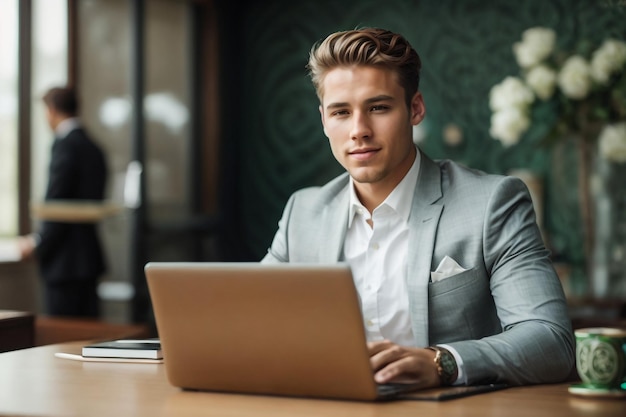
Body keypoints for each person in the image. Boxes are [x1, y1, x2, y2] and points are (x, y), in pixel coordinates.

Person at [262, 28, 575, 389]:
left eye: (378, 107)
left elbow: (551, 340)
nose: (359, 130)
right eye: (341, 112)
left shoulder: (493, 203)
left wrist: (443, 362)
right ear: (323, 120)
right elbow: (252, 322)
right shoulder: (303, 212)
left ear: (415, 109)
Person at [19, 86, 108, 318]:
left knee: (63, 339)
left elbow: (58, 205)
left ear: (51, 110)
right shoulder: (94, 147)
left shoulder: (65, 146)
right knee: (88, 337)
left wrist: (39, 243)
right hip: (88, 259)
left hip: (65, 263)